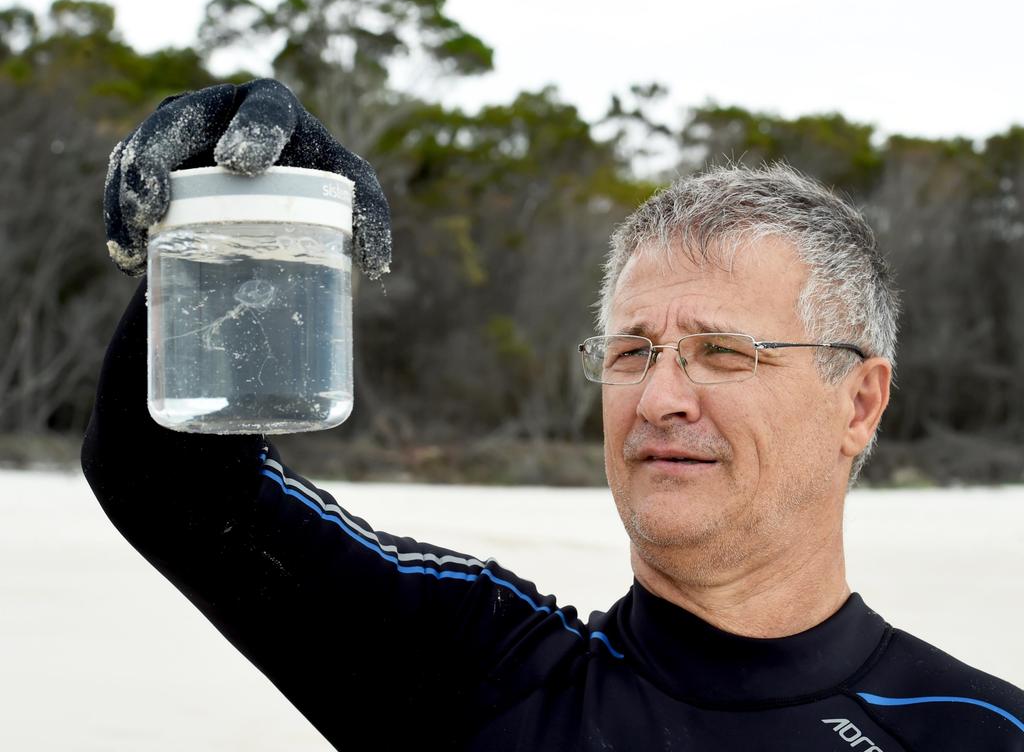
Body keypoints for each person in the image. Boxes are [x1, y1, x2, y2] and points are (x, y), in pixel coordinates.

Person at [83, 79, 1024, 751]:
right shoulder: (483, 674)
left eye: (724, 353)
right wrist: (231, 226)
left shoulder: (975, 730)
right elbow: (169, 482)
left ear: (859, 401)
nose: (658, 399)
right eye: (629, 353)